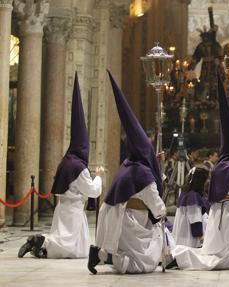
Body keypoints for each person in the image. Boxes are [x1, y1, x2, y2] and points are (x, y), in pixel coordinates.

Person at [171, 75, 229, 270]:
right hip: (228, 215)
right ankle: (178, 255)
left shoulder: (222, 165)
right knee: (223, 259)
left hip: (226, 213)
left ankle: (178, 255)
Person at [87, 71, 169, 274]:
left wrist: (158, 168)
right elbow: (156, 204)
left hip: (119, 221)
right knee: (142, 264)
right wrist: (163, 213)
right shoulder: (142, 173)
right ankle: (103, 256)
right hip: (130, 222)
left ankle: (102, 253)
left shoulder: (128, 164)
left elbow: (144, 189)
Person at [18, 73, 103, 259]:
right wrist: (98, 176)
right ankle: (41, 241)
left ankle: (39, 245)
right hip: (72, 212)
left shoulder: (66, 161)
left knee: (75, 249)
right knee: (66, 247)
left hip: (62, 208)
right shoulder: (79, 167)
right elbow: (93, 191)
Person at [173, 166, 210, 248]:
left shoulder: (185, 193)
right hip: (188, 239)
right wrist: (201, 237)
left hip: (181, 236)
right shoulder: (193, 197)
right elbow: (195, 219)